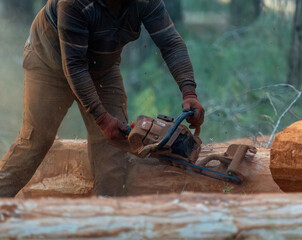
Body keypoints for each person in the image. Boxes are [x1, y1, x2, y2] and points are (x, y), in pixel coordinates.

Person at [0, 0, 204, 197]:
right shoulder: (74, 3)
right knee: (36, 142)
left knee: (111, 149)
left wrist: (189, 92)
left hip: (102, 69)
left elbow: (170, 43)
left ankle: (106, 220)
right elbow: (75, 67)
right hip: (48, 67)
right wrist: (103, 120)